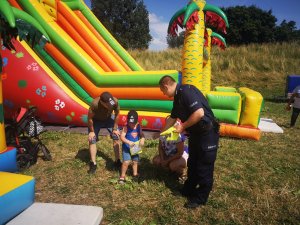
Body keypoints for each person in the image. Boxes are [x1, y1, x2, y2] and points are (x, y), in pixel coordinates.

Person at [158, 75, 220, 209]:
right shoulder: (177, 98)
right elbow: (172, 118)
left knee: (204, 165)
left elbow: (199, 113)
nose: (163, 93)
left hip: (207, 133)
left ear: (166, 86)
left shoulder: (187, 91)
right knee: (193, 163)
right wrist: (161, 133)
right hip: (196, 134)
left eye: (162, 90)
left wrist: (182, 127)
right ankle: (189, 189)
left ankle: (200, 197)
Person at [87, 91, 122, 174]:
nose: (110, 106)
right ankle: (93, 163)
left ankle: (117, 161)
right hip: (96, 120)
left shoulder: (115, 101)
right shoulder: (95, 104)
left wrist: (115, 128)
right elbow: (89, 119)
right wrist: (92, 132)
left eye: (111, 103)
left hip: (108, 119)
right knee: (92, 139)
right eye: (108, 105)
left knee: (116, 136)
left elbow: (117, 114)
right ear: (102, 102)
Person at [119, 110, 145, 184]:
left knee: (135, 161)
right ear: (127, 121)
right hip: (127, 147)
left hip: (135, 147)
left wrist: (142, 139)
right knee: (126, 162)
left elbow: (141, 134)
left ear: (137, 121)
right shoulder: (126, 127)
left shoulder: (138, 126)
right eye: (130, 123)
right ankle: (122, 175)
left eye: (134, 123)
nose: (132, 125)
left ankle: (135, 174)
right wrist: (128, 142)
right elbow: (122, 137)